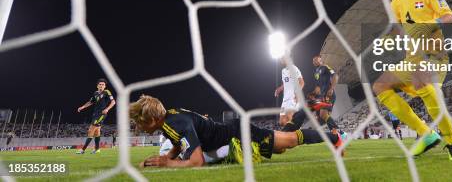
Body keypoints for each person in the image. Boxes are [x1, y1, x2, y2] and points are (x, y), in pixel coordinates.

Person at [372, 0, 452, 161]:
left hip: (434, 56)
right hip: (411, 59)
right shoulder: (395, 2)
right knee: (380, 86)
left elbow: (449, 18)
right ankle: (426, 134)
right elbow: (399, 29)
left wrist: (427, 25)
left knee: (421, 81)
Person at [130, 95, 343, 168]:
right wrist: (164, 157)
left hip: (238, 134)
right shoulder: (169, 121)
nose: (138, 126)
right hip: (233, 133)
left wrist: (168, 163)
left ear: (154, 119)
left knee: (288, 141)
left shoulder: (175, 123)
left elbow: (197, 162)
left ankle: (334, 137)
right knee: (281, 147)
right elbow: (178, 144)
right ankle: (304, 112)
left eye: (140, 121)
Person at [281, 55, 341, 135]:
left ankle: (339, 132)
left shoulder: (325, 67)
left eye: (316, 60)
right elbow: (318, 88)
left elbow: (335, 76)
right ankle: (337, 133)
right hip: (322, 96)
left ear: (320, 60)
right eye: (313, 61)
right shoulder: (316, 72)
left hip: (328, 94)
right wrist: (312, 94)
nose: (314, 62)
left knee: (323, 115)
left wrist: (331, 88)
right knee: (322, 117)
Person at [76, 78, 116, 154]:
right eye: (100, 84)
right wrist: (82, 107)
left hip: (102, 114)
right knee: (97, 132)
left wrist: (107, 109)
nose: (101, 86)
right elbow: (90, 102)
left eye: (103, 84)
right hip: (95, 114)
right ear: (97, 86)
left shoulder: (107, 92)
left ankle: (83, 150)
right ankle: (97, 149)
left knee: (91, 130)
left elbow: (113, 102)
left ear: (105, 86)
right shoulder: (95, 93)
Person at [274, 57, 304, 127]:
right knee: (282, 122)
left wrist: (297, 94)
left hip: (292, 97)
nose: (281, 59)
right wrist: (279, 89)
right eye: (281, 59)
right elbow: (285, 83)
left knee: (290, 118)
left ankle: (298, 136)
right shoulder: (283, 71)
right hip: (285, 100)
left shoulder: (294, 68)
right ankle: (290, 135)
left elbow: (302, 82)